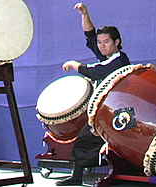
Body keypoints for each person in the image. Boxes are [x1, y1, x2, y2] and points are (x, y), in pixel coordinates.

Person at [55, 3, 131, 186]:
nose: (102, 46)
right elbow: (90, 35)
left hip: (114, 112)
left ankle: (80, 176)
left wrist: (74, 64)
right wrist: (85, 14)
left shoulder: (119, 60)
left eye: (106, 42)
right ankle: (78, 176)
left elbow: (94, 71)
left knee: (88, 140)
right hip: (104, 111)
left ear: (117, 42)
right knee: (86, 140)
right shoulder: (107, 56)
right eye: (100, 43)